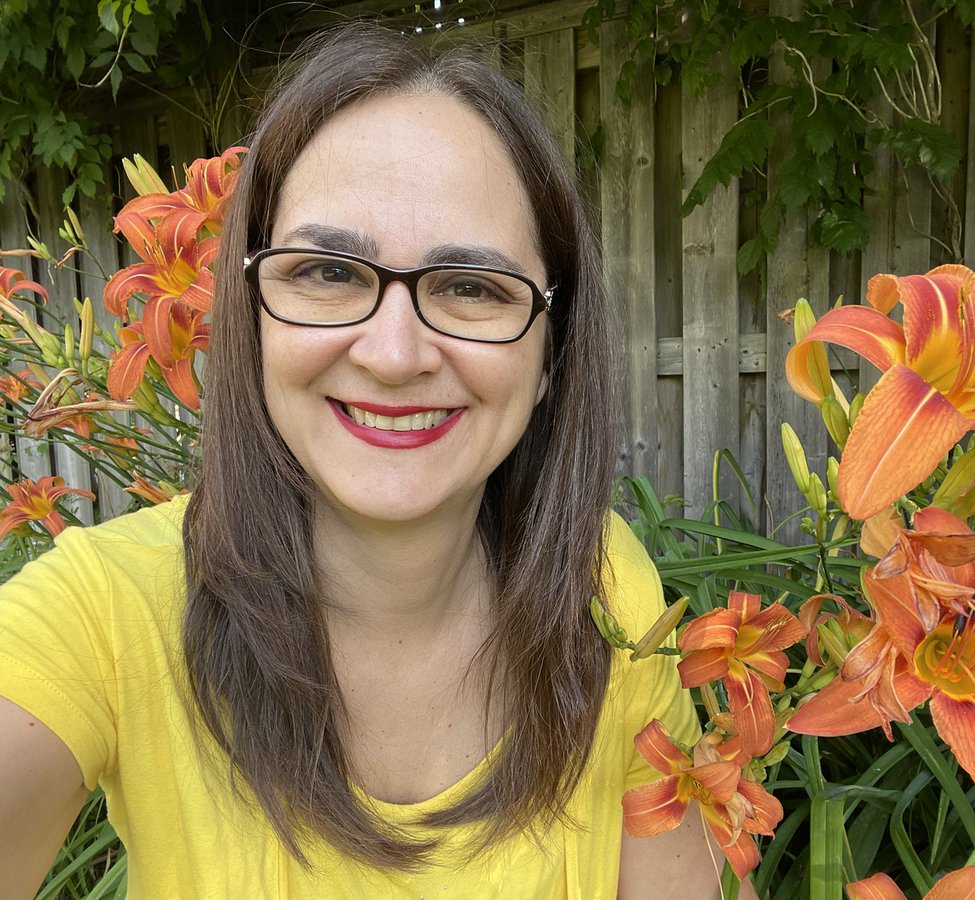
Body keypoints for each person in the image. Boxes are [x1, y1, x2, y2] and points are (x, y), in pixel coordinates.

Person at [0, 22, 758, 900]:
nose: (394, 355)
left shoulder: (604, 592)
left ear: (552, 352)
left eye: (471, 287)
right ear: (250, 316)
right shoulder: (100, 614)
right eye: (326, 271)